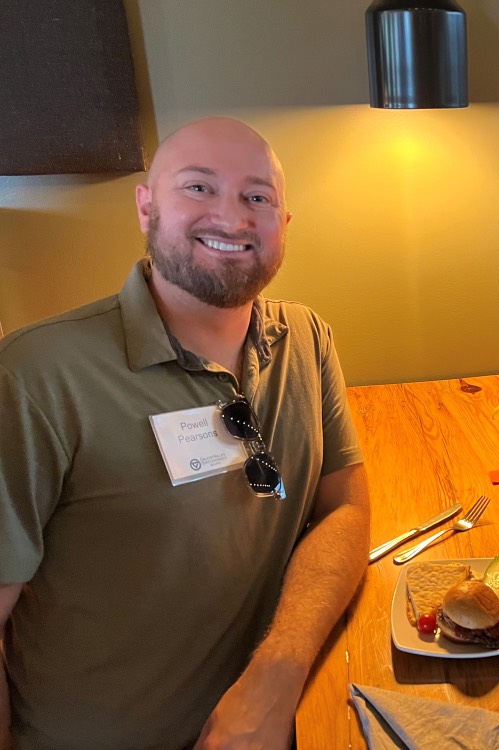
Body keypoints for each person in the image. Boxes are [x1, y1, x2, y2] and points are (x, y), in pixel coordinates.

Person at [0, 117, 370, 748]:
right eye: (198, 188)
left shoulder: (305, 340)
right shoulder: (36, 378)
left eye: (258, 197)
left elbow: (346, 510)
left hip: (290, 719)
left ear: (284, 225)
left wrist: (277, 670)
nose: (230, 218)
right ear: (146, 206)